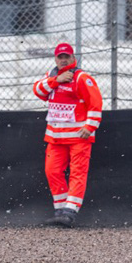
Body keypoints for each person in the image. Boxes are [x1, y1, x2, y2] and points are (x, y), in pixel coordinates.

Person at [32, 43, 103, 227]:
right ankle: (60, 210)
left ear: (73, 58)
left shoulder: (82, 78)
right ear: (55, 59)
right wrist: (57, 80)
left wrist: (90, 127)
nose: (63, 60)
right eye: (60, 57)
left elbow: (95, 104)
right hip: (55, 137)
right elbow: (38, 91)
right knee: (52, 171)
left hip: (78, 137)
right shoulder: (52, 76)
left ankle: (70, 212)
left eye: (67, 56)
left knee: (78, 173)